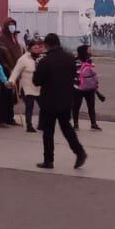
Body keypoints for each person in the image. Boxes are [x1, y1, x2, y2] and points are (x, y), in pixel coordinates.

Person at [33, 34, 86, 169]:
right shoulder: (69, 58)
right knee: (67, 128)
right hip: (66, 99)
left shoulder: (45, 60)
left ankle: (48, 160)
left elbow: (36, 81)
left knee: (48, 131)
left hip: (49, 101)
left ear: (47, 45)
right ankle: (79, 152)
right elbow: (74, 75)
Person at [8, 37, 44, 134]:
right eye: (34, 48)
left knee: (44, 106)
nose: (37, 50)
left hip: (39, 86)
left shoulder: (41, 58)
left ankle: (41, 124)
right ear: (30, 48)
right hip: (27, 86)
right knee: (29, 106)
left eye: (38, 48)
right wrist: (11, 81)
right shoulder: (23, 59)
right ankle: (29, 125)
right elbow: (16, 71)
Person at [0, 20, 24, 127]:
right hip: (5, 71)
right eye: (10, 25)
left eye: (13, 25)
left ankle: (9, 118)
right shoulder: (2, 39)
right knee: (4, 95)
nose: (12, 27)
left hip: (15, 70)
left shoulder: (14, 39)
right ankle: (0, 119)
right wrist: (7, 67)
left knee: (11, 96)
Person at [75, 44, 102, 129]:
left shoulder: (89, 60)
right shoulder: (76, 61)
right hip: (79, 88)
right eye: (88, 50)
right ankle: (77, 124)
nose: (90, 51)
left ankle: (93, 123)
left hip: (86, 87)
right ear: (84, 51)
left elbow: (93, 73)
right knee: (77, 106)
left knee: (89, 106)